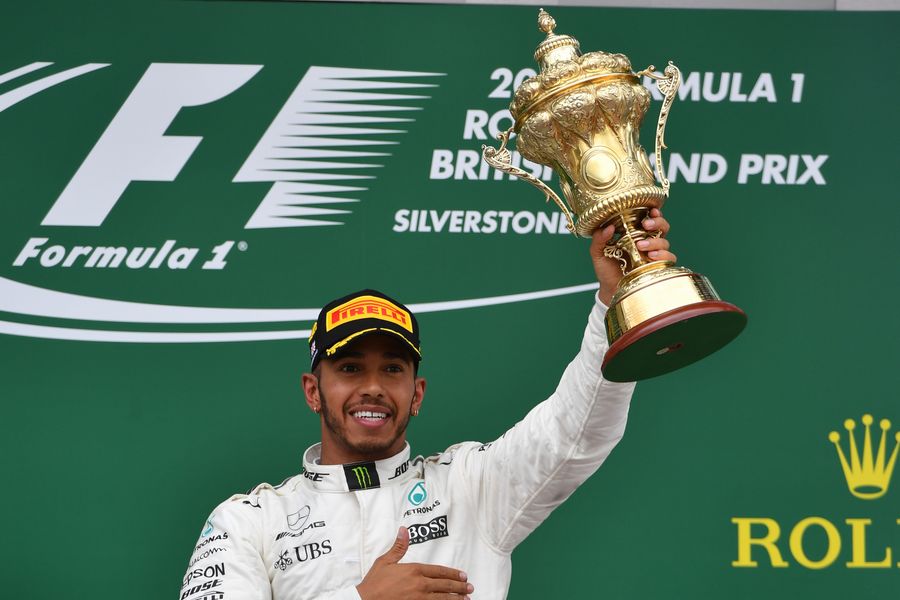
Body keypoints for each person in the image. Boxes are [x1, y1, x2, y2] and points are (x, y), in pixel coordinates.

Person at [179, 210, 675, 600]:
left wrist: (615, 300)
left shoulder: (470, 487)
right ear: (313, 390)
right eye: (350, 368)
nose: (373, 387)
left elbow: (576, 431)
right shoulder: (249, 520)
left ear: (416, 394)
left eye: (392, 369)